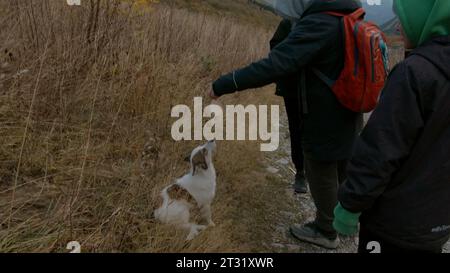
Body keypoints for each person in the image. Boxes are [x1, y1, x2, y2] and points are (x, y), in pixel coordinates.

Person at [209, 0, 363, 249]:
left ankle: (326, 230)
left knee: (320, 167)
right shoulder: (350, 16)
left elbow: (275, 65)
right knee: (343, 165)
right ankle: (347, 220)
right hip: (351, 109)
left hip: (322, 113)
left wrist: (225, 83)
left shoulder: (318, 23)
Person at [333, 0, 450, 253]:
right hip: (436, 226)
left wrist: (349, 207)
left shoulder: (415, 73)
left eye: (404, 19)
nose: (398, 26)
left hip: (392, 225)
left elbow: (379, 152)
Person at [270, 19, 307, 194]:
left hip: (318, 89)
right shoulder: (289, 22)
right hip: (292, 88)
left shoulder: (324, 18)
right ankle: (301, 172)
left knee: (314, 129)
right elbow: (275, 47)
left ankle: (316, 172)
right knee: (296, 128)